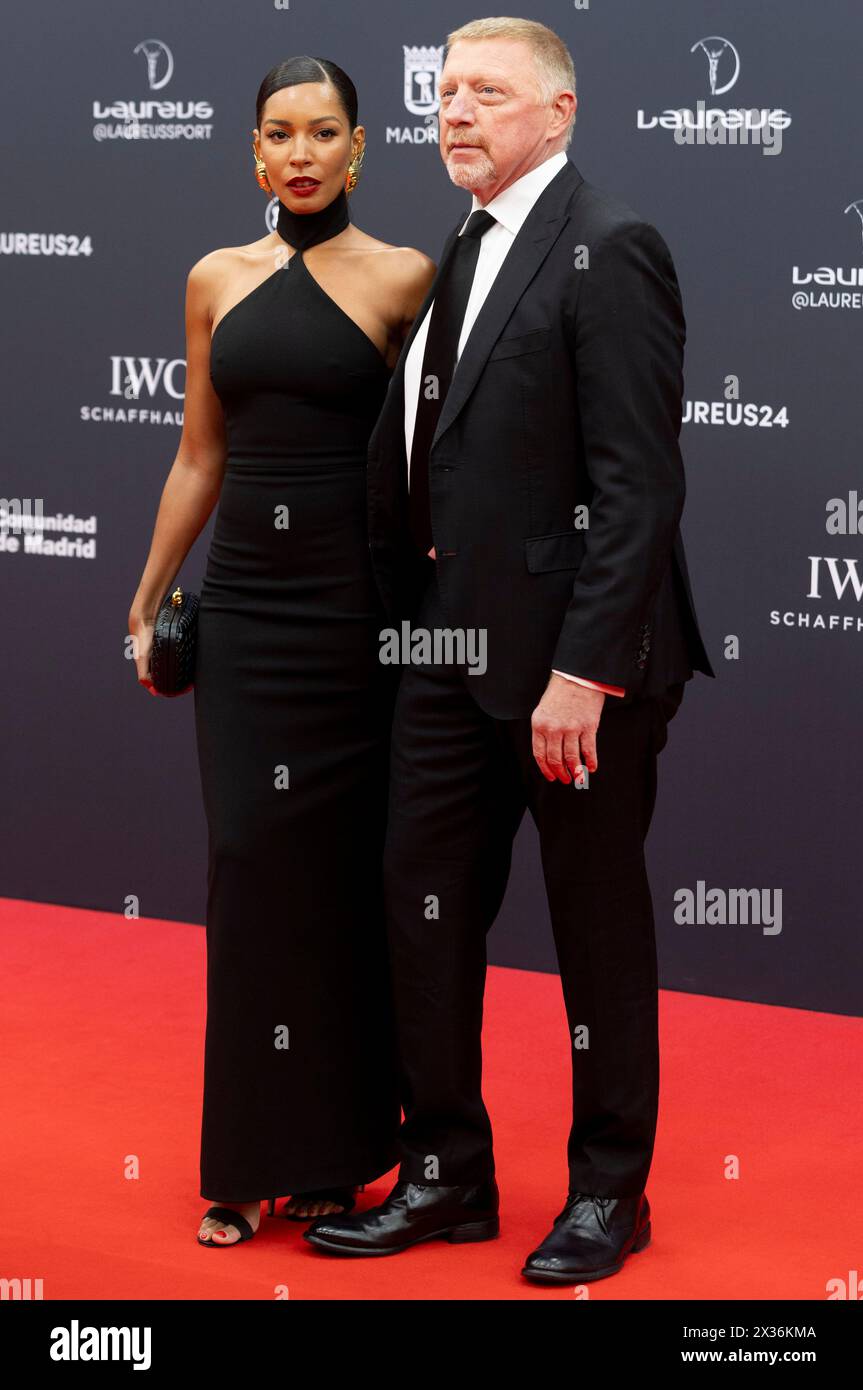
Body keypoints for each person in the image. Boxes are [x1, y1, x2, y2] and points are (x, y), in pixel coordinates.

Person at [303, 17, 714, 1282]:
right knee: (420, 913)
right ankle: (445, 1173)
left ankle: (607, 1194)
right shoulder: (466, 245)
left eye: (487, 92)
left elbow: (635, 488)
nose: (454, 111)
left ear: (560, 109)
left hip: (572, 675)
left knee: (593, 933)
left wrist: (581, 672)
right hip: (446, 655)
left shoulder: (610, 245)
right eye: (444, 92)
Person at [127, 55, 435, 1247]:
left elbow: (429, 461)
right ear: (253, 153)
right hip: (248, 612)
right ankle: (245, 1156)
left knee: (345, 879)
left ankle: (342, 1153)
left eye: (321, 133)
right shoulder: (214, 278)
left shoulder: (406, 277)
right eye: (276, 134)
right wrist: (151, 595)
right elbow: (200, 452)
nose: (298, 154)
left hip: (355, 622)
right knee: (248, 863)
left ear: (359, 149)